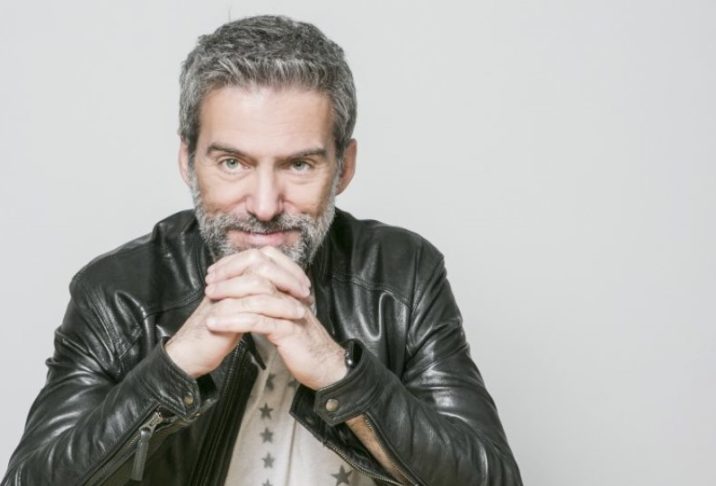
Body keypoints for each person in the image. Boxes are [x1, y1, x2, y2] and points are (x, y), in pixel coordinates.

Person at [2, 15, 522, 486]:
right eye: (233, 163)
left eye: (299, 165)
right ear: (188, 160)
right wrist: (176, 366)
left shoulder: (402, 275)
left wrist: (336, 371)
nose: (266, 206)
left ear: (344, 167)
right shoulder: (119, 293)